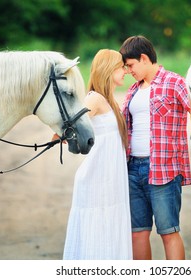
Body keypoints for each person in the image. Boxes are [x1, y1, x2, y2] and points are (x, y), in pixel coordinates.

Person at [55, 49, 132, 259]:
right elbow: (69, 125)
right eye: (121, 67)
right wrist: (60, 135)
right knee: (98, 230)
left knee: (108, 229)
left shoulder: (109, 100)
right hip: (97, 180)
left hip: (111, 181)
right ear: (109, 69)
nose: (125, 71)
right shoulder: (95, 99)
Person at [120, 35, 191, 260]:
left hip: (164, 169)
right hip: (133, 170)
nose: (129, 70)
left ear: (143, 58)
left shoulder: (175, 82)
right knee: (137, 234)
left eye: (131, 65)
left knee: (168, 232)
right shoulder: (133, 90)